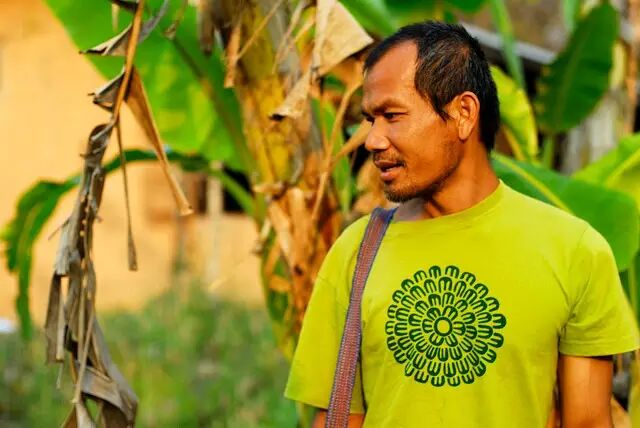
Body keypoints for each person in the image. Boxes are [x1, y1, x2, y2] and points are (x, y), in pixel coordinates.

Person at [284, 21, 639, 427]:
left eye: (392, 116)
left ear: (463, 113)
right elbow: (337, 419)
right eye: (371, 119)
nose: (373, 140)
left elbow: (588, 422)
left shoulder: (574, 251)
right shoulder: (358, 252)